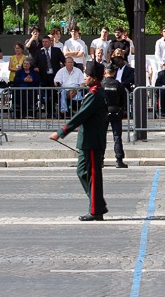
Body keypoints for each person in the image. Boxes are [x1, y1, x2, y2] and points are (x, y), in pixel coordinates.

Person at [50, 62, 109, 221]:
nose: (84, 77)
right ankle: (99, 204)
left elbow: (81, 116)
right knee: (82, 171)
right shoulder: (93, 92)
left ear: (94, 78)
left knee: (92, 175)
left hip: (91, 141)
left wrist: (61, 132)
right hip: (87, 140)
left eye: (87, 75)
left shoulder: (95, 94)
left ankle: (96, 210)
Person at [33, 35, 66, 118]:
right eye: (43, 42)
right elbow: (34, 63)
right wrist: (36, 67)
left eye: (46, 42)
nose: (44, 43)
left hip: (55, 76)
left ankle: (54, 111)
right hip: (44, 77)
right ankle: (48, 112)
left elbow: (64, 60)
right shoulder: (39, 52)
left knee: (54, 95)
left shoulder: (56, 50)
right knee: (46, 96)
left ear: (50, 42)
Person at [103, 63, 128, 168]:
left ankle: (100, 159)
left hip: (103, 112)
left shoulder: (101, 84)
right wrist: (121, 110)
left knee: (101, 136)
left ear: (105, 72)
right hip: (116, 111)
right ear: (114, 72)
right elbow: (124, 101)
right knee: (117, 136)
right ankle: (119, 160)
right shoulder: (119, 85)